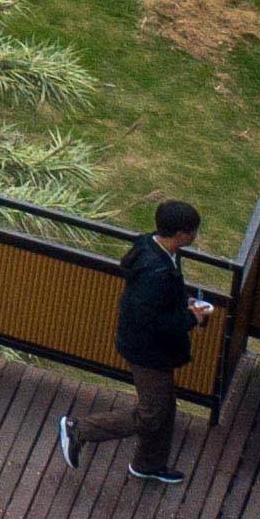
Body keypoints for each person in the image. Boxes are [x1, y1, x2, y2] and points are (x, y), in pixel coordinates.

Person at [60, 202, 208, 488]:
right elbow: (153, 322)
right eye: (192, 232)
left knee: (163, 406)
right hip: (147, 351)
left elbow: (159, 305)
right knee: (152, 413)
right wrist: (191, 318)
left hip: (147, 346)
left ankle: (148, 464)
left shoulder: (154, 250)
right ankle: (78, 430)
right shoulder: (158, 271)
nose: (195, 236)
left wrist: (183, 303)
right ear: (181, 234)